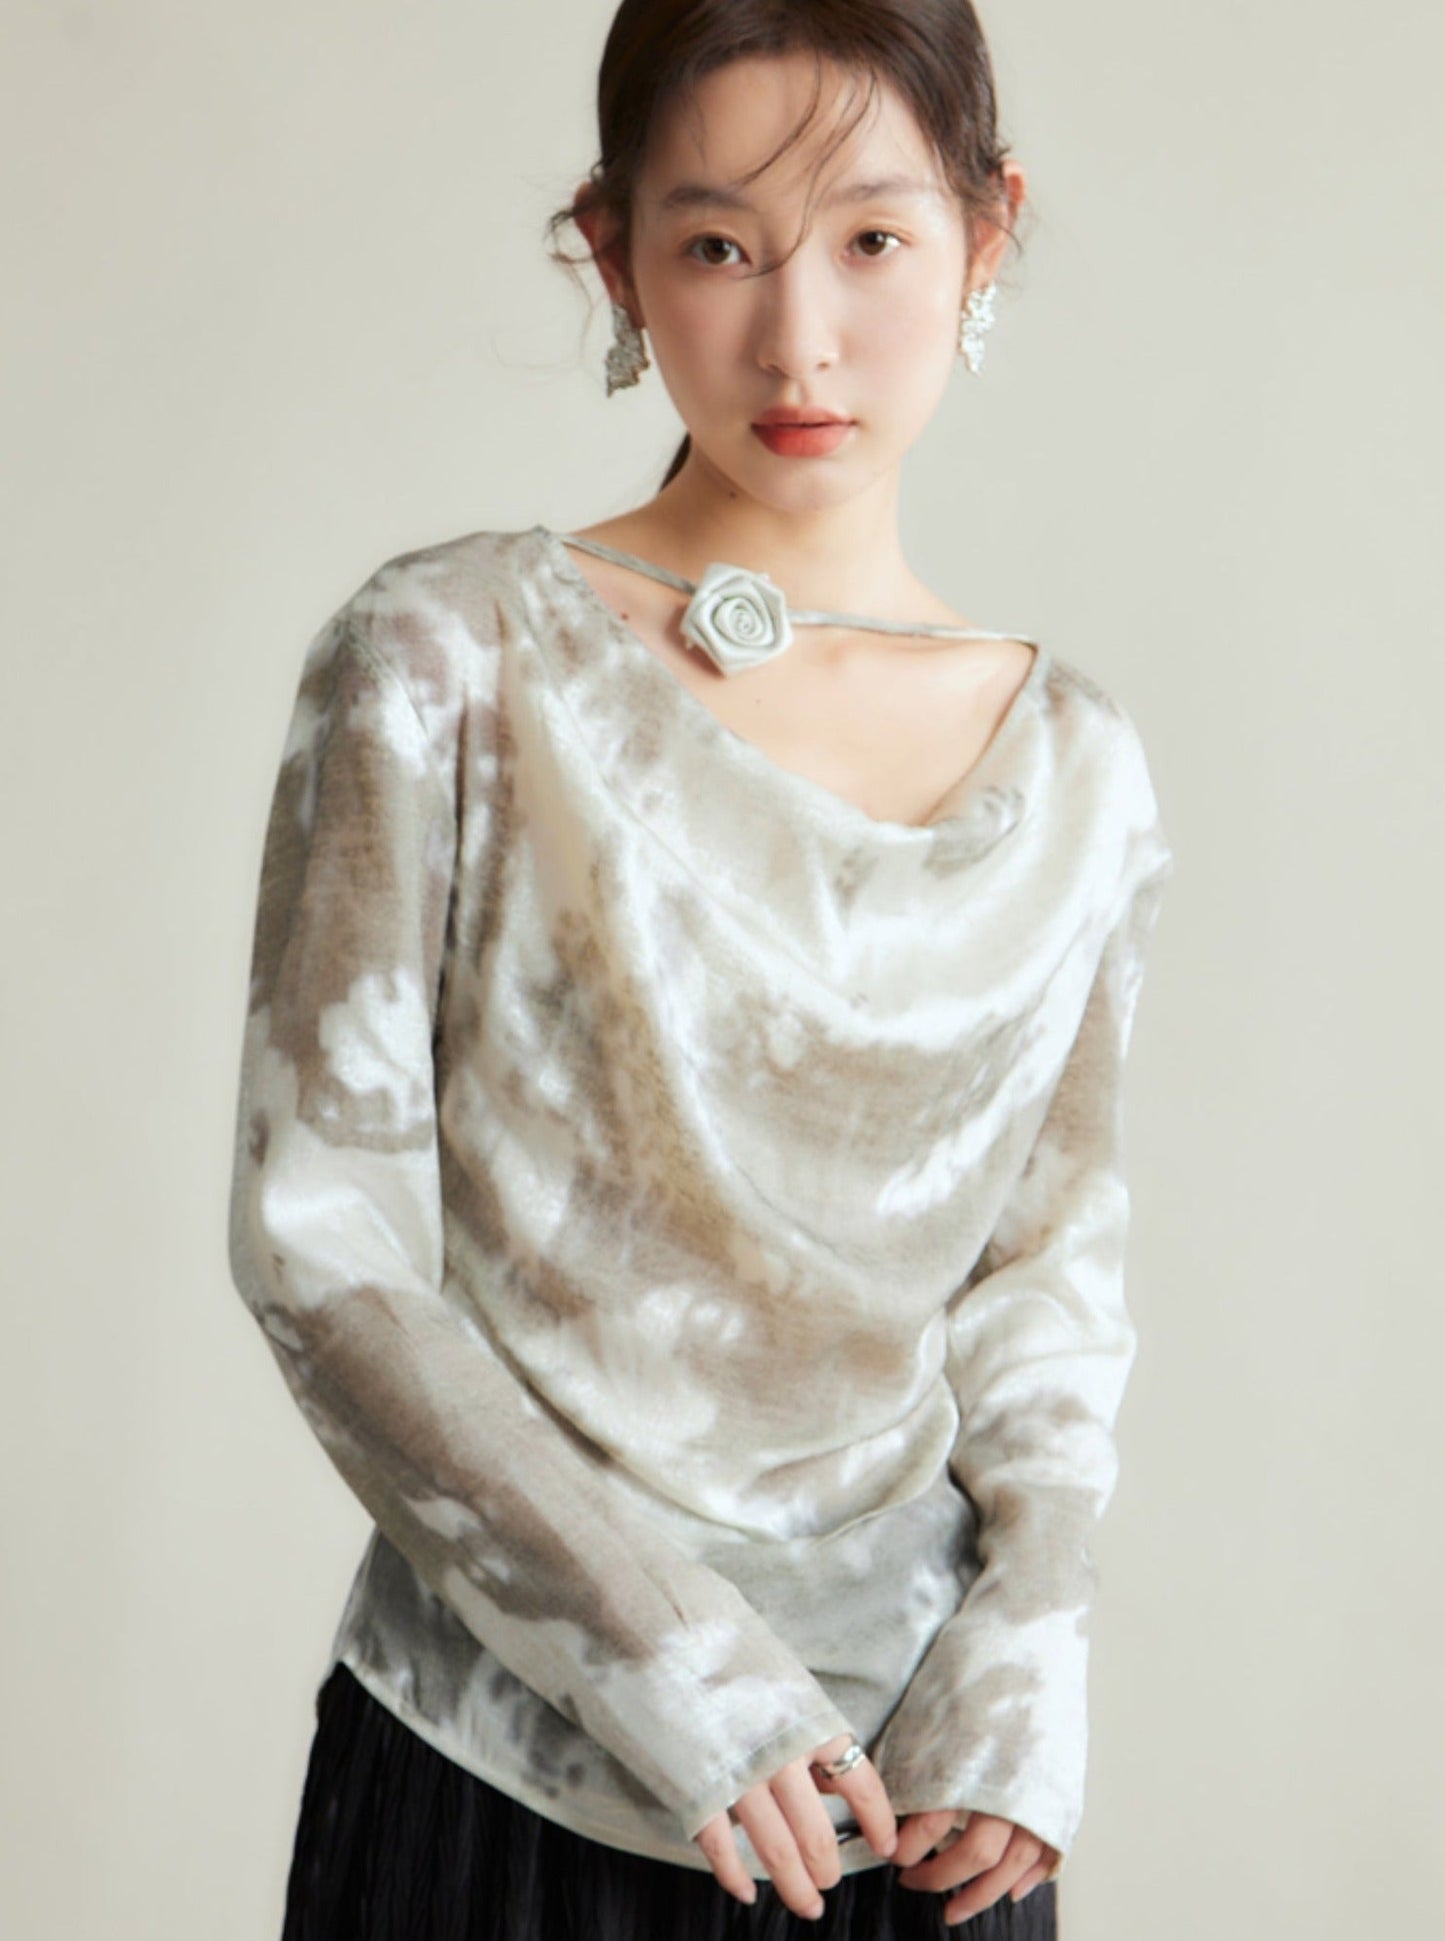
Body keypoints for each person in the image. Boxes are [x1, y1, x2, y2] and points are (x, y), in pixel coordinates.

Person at [225, 3, 1175, 1937]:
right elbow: (323, 1246)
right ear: (613, 251)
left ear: (987, 232)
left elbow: (1046, 1280)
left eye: (874, 239)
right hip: (502, 1773)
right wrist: (673, 1661)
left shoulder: (1075, 768)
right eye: (722, 244)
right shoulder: (447, 659)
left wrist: (1032, 1648)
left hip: (918, 1806)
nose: (799, 339)